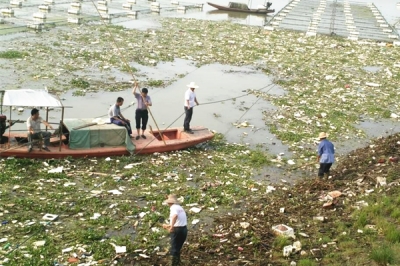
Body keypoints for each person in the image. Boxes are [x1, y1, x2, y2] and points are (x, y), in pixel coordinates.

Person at [162, 194, 187, 266]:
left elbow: (175, 216)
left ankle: (172, 264)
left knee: (173, 249)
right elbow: (179, 220)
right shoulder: (179, 207)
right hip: (184, 229)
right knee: (178, 248)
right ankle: (178, 263)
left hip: (177, 230)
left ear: (170, 202)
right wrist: (168, 225)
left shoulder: (173, 208)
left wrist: (172, 227)